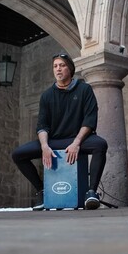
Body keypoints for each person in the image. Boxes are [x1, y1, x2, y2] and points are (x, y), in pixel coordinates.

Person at [11, 53, 108, 210]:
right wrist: (44, 146)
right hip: (53, 141)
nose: (58, 69)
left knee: (100, 145)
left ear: (70, 68)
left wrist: (76, 143)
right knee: (18, 154)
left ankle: (91, 192)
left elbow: (89, 120)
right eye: (55, 66)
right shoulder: (47, 96)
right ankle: (42, 191)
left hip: (78, 139)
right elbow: (42, 125)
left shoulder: (84, 89)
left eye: (62, 65)